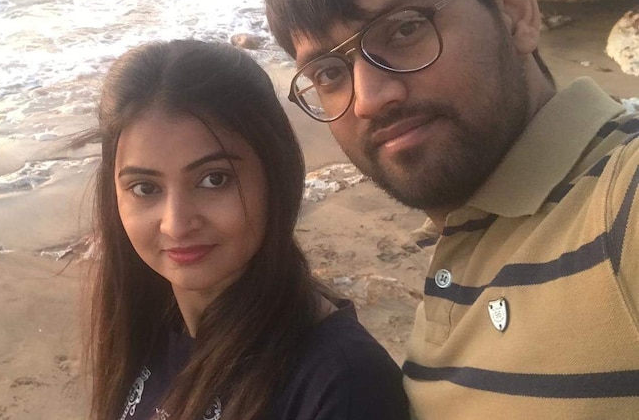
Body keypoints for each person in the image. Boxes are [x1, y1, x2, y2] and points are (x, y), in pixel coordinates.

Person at [263, 0, 639, 420]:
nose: (369, 98)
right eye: (327, 72)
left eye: (405, 28)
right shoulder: (469, 226)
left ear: (514, 11)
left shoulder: (620, 208)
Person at [75, 40, 409, 420]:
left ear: (275, 174)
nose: (177, 223)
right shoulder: (150, 320)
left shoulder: (343, 383)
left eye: (214, 179)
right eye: (145, 188)